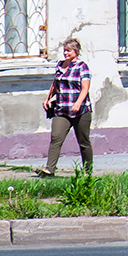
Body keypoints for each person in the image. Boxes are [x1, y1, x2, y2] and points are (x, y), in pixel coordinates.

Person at [37, 38, 93, 177]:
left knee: (83, 141)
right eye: (65, 51)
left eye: (68, 51)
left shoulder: (82, 67)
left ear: (76, 51)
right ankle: (49, 169)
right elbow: (56, 84)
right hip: (62, 109)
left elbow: (85, 88)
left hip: (81, 111)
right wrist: (48, 98)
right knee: (56, 137)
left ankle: (87, 171)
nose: (65, 53)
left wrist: (78, 103)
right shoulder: (60, 65)